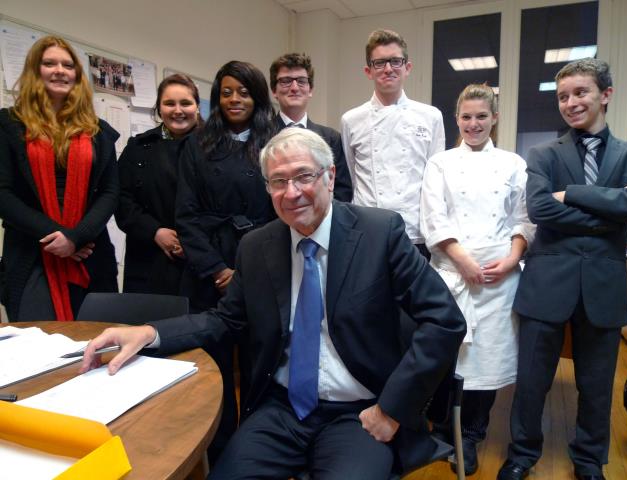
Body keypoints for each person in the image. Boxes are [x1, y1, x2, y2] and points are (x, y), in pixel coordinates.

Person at [81, 127, 466, 479]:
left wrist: (392, 409)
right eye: (278, 181)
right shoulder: (257, 246)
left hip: (360, 412)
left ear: (330, 177)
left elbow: (444, 321)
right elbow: (225, 321)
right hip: (281, 409)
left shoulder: (380, 233)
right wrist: (150, 333)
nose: (292, 192)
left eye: (303, 176)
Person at [497, 58, 627, 480]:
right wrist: (611, 208)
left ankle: (589, 460)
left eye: (580, 92)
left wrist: (573, 193)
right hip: (546, 284)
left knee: (596, 386)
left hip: (604, 286)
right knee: (531, 382)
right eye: (563, 96)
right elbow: (540, 209)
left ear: (605, 95)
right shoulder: (542, 153)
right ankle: (522, 455)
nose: (571, 103)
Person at [420, 83, 534, 475]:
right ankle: (440, 430)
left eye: (481, 116)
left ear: (494, 118)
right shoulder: (441, 163)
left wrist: (512, 259)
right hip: (453, 274)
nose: (473, 124)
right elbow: (433, 218)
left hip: (500, 278)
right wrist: (462, 260)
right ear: (457, 119)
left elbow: (524, 218)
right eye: (466, 117)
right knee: (448, 357)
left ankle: (471, 433)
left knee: (488, 360)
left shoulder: (513, 163)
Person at [175, 60, 277, 462]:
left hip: (264, 262)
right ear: (217, 96)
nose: (235, 99)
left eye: (245, 92)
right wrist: (218, 268)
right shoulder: (197, 144)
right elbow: (185, 215)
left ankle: (256, 449)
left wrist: (246, 270)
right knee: (214, 368)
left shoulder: (276, 140)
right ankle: (218, 453)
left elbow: (285, 211)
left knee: (258, 366)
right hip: (209, 269)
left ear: (258, 97)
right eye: (227, 91)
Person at [0, 35, 118, 322]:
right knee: (37, 348)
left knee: (97, 346)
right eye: (49, 63)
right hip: (31, 255)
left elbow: (111, 191)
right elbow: (2, 194)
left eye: (68, 65)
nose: (60, 70)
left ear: (77, 74)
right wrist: (59, 236)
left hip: (90, 253)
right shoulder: (9, 124)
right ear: (34, 71)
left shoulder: (98, 131)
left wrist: (76, 237)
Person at [341, 29, 445, 258]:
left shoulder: (431, 116)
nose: (388, 69)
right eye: (379, 63)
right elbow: (353, 175)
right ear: (368, 71)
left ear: (407, 67)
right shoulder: (351, 119)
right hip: (366, 231)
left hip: (415, 233)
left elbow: (435, 181)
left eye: (395, 61)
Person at [115, 74, 201, 295]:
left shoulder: (214, 148)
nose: (177, 110)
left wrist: (191, 239)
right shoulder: (138, 147)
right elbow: (120, 198)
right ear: (159, 108)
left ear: (197, 107)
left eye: (186, 103)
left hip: (200, 260)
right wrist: (154, 231)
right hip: (147, 259)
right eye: (169, 103)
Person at [269, 52, 352, 202]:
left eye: (301, 81)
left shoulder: (331, 138)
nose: (294, 87)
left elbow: (342, 190)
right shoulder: (260, 135)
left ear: (310, 90)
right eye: (286, 81)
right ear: (274, 91)